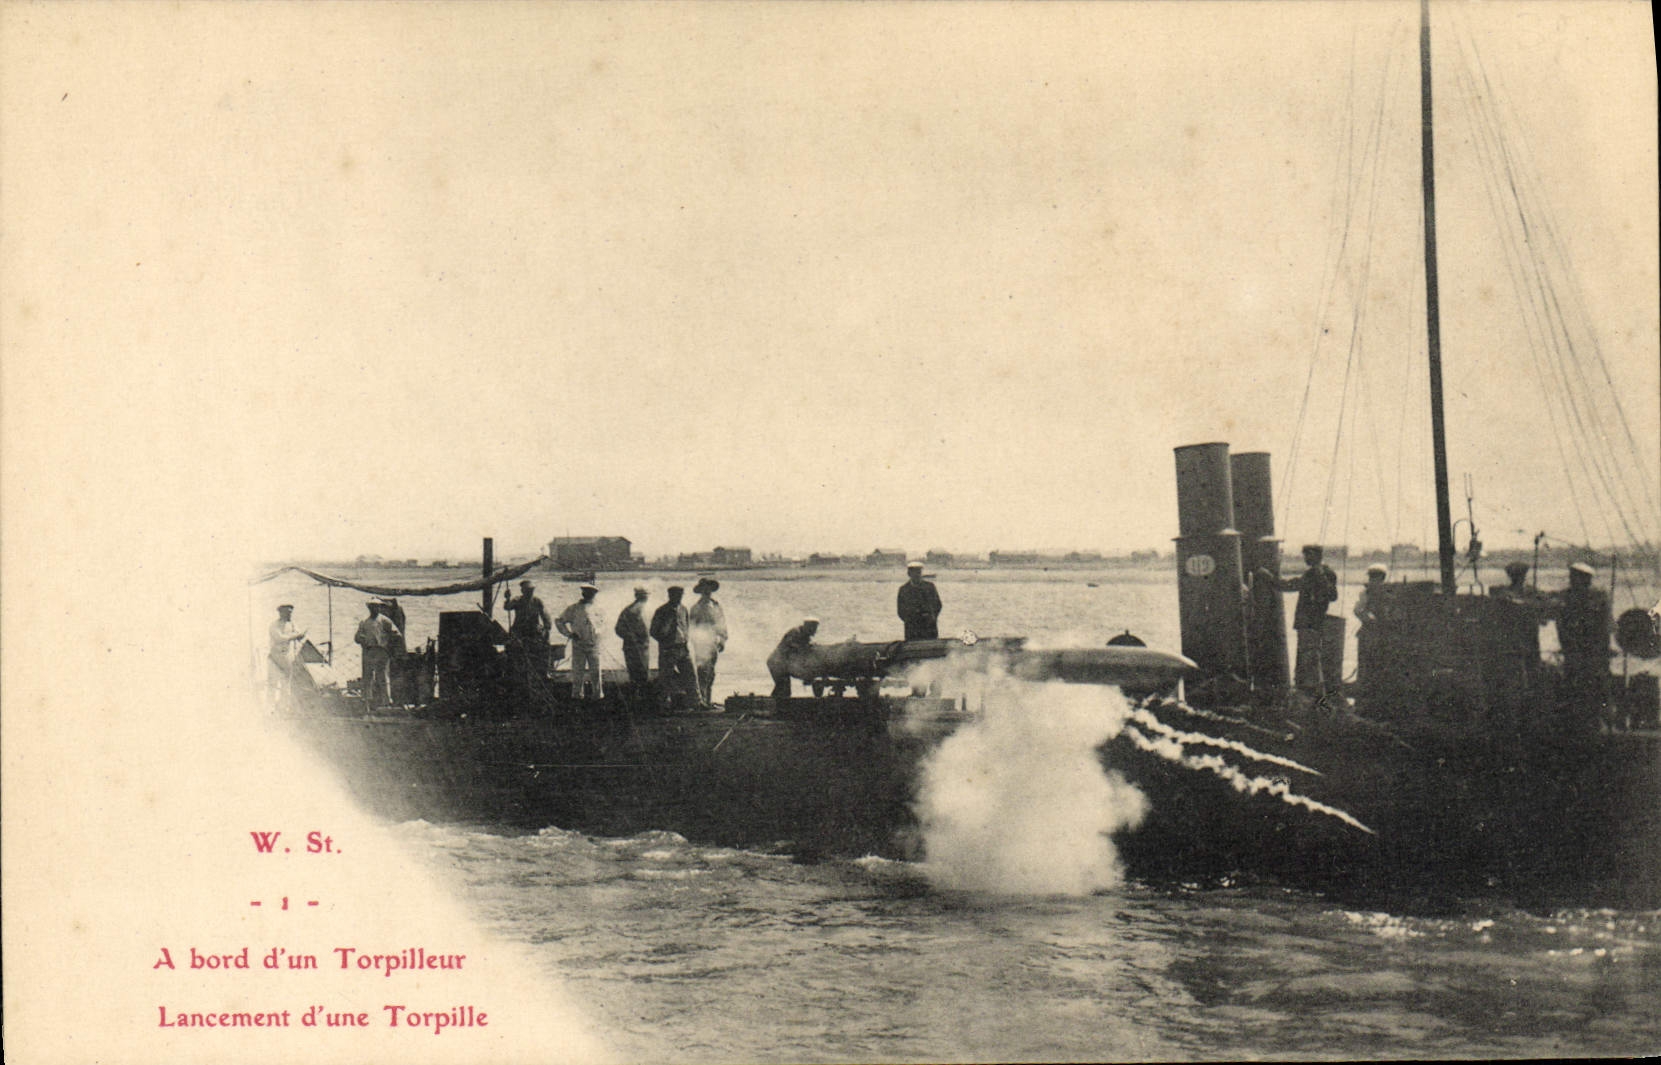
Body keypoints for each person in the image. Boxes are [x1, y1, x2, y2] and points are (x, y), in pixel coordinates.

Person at [1262, 544, 1338, 697]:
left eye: (1308, 555)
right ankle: (1307, 690)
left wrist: (1270, 579)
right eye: (1305, 555)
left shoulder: (1323, 574)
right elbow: (1292, 585)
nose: (1306, 558)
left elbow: (1332, 595)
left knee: (1310, 656)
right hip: (1307, 622)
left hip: (1312, 621)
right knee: (1306, 655)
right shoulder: (1311, 574)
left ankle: (1313, 692)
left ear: (1317, 556)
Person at [1554, 562, 1611, 728]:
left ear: (1586, 579)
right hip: (1573, 647)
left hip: (1593, 649)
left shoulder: (1598, 597)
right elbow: (1560, 621)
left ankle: (1595, 719)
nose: (1571, 580)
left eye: (1575, 577)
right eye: (1571, 577)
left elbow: (1605, 624)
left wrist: (1603, 647)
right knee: (1573, 682)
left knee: (1594, 683)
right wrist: (1566, 642)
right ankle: (1574, 720)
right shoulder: (1567, 596)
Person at [650, 585, 696, 711]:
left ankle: (695, 703)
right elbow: (653, 631)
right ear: (670, 596)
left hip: (683, 648)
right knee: (665, 678)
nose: (679, 598)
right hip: (668, 650)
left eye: (681, 595)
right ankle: (664, 706)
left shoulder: (684, 610)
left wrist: (686, 642)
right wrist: (665, 642)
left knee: (691, 675)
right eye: (676, 595)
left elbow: (686, 627)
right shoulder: (662, 611)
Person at [556, 583, 604, 700]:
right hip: (579, 646)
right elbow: (559, 621)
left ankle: (598, 697)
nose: (589, 595)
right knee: (577, 674)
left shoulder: (599, 609)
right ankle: (577, 697)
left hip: (594, 646)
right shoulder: (573, 609)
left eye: (592, 594)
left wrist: (599, 634)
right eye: (587, 593)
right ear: (583, 594)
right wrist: (568, 633)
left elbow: (604, 625)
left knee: (596, 673)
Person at [689, 577, 728, 708]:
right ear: (701, 591)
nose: (707, 591)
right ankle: (702, 701)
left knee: (711, 672)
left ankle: (708, 700)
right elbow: (691, 627)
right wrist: (697, 642)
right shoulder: (696, 608)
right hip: (701, 643)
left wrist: (722, 639)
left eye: (709, 589)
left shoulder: (716, 606)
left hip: (713, 642)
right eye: (705, 589)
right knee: (702, 672)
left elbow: (722, 624)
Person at [354, 601, 401, 708]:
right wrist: (361, 638)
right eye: (372, 607)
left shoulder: (385, 621)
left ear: (380, 608)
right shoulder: (364, 622)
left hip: (381, 652)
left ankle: (386, 702)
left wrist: (388, 644)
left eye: (377, 606)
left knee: (382, 677)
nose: (374, 609)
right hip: (368, 651)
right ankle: (367, 701)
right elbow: (356, 637)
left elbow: (397, 634)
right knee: (367, 677)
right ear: (369, 608)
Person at [615, 586, 653, 707]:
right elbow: (618, 628)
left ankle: (641, 699)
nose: (646, 598)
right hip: (632, 647)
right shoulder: (629, 611)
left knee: (642, 673)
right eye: (643, 596)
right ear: (638, 596)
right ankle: (637, 700)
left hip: (643, 647)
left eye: (646, 595)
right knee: (636, 673)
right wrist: (630, 636)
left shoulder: (645, 609)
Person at [767, 617, 820, 701]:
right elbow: (792, 645)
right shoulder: (795, 632)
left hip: (783, 664)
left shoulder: (805, 636)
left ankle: (771, 703)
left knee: (782, 688)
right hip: (777, 662)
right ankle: (772, 704)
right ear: (807, 626)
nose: (814, 631)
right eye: (813, 627)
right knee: (784, 688)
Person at [267, 604, 307, 706]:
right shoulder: (274, 625)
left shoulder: (292, 624)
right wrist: (295, 635)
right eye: (287, 613)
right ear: (281, 613)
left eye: (290, 613)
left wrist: (300, 635)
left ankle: (284, 707)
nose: (290, 615)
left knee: (286, 685)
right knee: (273, 684)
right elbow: (280, 638)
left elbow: (299, 634)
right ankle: (270, 707)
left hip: (287, 659)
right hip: (274, 659)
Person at [897, 561, 942, 641]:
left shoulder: (930, 587)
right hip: (912, 629)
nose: (917, 575)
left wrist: (932, 617)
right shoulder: (904, 589)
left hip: (929, 627)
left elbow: (938, 605)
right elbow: (900, 610)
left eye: (919, 572)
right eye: (914, 573)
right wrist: (910, 620)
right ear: (909, 574)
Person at [504, 580, 551, 645]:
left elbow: (545, 615)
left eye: (531, 590)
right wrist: (507, 599)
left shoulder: (537, 601)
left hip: (533, 629)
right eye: (527, 591)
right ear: (522, 591)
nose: (530, 593)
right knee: (514, 642)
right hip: (519, 629)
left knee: (542, 638)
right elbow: (507, 607)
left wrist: (546, 628)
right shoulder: (517, 600)